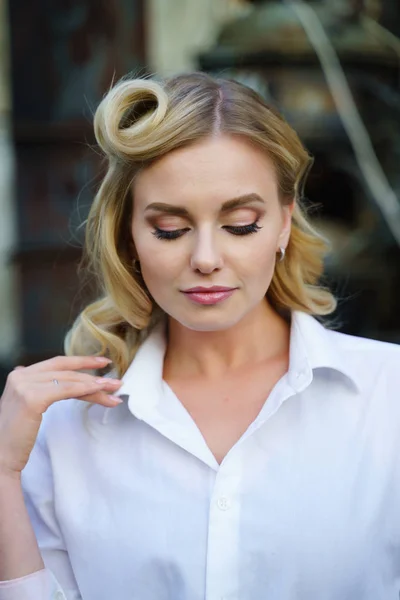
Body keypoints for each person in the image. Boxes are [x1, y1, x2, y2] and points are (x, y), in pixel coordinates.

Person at [0, 72, 399, 600]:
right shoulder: (63, 428)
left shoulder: (387, 396)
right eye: (170, 229)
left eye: (240, 224)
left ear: (283, 224)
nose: (205, 259)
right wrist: (3, 472)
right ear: (129, 236)